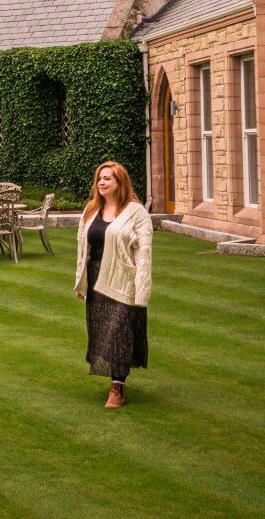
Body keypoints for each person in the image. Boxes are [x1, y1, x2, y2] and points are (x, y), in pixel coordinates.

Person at [74, 161, 153, 408]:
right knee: (101, 334)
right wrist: (81, 282)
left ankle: (117, 388)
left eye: (108, 178)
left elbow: (144, 253)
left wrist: (142, 291)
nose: (101, 182)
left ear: (120, 183)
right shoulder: (90, 210)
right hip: (96, 280)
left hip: (123, 282)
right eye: (99, 178)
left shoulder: (136, 212)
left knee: (119, 334)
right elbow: (81, 249)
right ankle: (115, 380)